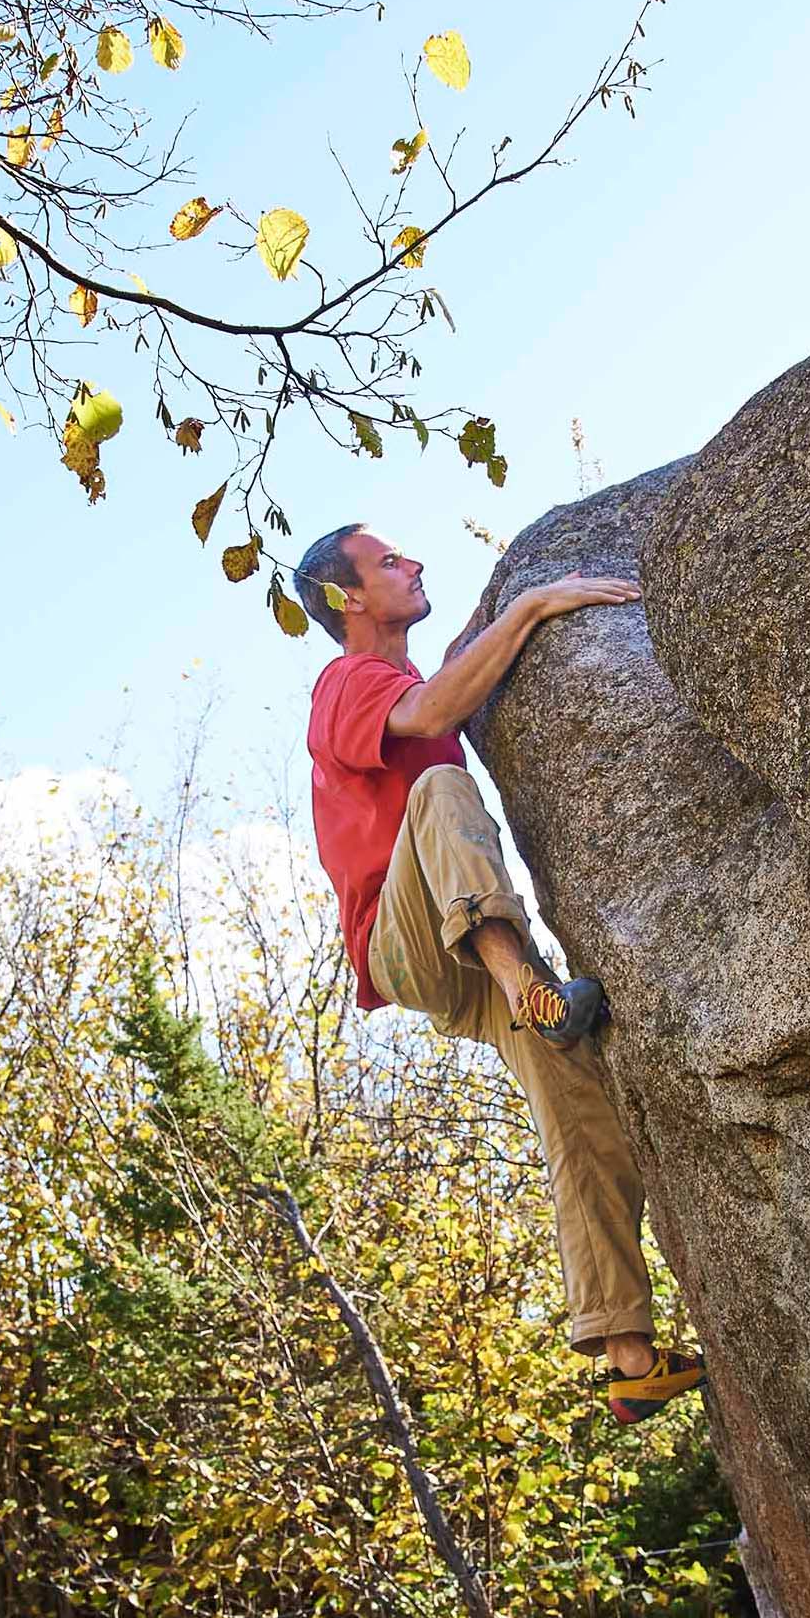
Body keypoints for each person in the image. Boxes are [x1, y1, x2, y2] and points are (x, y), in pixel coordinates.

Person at [295, 522, 703, 1423]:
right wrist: (526, 607)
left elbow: (447, 685)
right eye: (390, 562)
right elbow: (430, 718)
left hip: (455, 948)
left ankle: (627, 1354)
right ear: (346, 598)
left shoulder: (409, 673)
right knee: (437, 789)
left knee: (579, 1111)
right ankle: (526, 979)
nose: (414, 563)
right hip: (404, 941)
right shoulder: (347, 682)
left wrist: (497, 621)